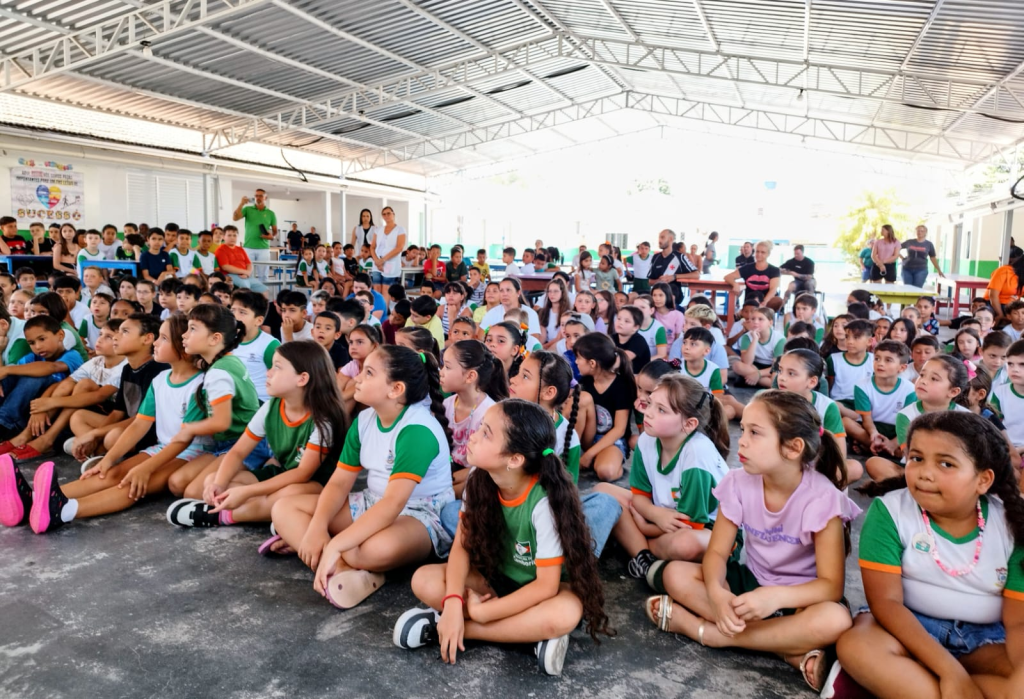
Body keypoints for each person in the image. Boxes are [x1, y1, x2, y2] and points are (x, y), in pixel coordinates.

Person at [644, 390, 861, 693]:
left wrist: (774, 598)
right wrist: (718, 594)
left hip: (799, 600)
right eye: (743, 429)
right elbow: (718, 554)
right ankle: (787, 649)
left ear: (793, 447)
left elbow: (830, 585)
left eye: (755, 433)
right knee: (675, 573)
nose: (741, 440)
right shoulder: (737, 482)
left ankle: (706, 632)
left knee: (835, 620)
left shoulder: (823, 499)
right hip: (748, 588)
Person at [394, 399, 611, 676]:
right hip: (495, 581)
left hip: (543, 593)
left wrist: (482, 614)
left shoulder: (543, 503)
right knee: (423, 580)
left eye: (486, 433)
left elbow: (545, 588)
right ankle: (526, 637)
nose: (473, 436)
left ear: (515, 459)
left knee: (565, 613)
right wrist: (451, 603)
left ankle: (453, 629)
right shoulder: (479, 477)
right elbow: (461, 547)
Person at [829, 412, 1024, 699]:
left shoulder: (1013, 523)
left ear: (983, 480)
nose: (925, 472)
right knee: (856, 645)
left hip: (986, 640)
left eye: (946, 463)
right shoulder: (890, 512)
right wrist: (951, 672)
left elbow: (1018, 621)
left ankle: (916, 684)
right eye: (916, 458)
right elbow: (886, 604)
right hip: (906, 629)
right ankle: (954, 685)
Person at [270, 345, 454, 609]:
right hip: (373, 502)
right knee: (284, 508)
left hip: (420, 513)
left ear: (396, 389)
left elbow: (393, 505)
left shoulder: (417, 430)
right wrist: (318, 527)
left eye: (368, 373)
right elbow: (339, 482)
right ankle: (345, 566)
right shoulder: (364, 419)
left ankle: (333, 557)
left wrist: (333, 544)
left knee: (372, 549)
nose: (357, 378)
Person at [3, 316, 206, 533]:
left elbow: (185, 441)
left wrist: (145, 468)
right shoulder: (161, 379)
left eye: (163, 338)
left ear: (184, 348)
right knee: (110, 473)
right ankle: (31, 500)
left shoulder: (200, 384)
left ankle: (63, 511)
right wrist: (108, 460)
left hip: (191, 452)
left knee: (131, 485)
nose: (156, 342)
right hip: (161, 448)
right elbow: (139, 424)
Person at [170, 341, 347, 530]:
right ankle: (274, 518)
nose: (267, 373)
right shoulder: (272, 407)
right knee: (212, 479)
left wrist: (247, 492)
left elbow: (302, 473)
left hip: (316, 485)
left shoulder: (323, 420)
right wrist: (219, 485)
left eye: (277, 367)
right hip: (283, 473)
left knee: (289, 494)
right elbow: (238, 451)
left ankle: (224, 516)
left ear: (302, 379)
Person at [598, 374, 730, 582]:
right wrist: (654, 513)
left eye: (661, 410)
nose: (647, 413)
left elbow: (691, 525)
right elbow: (639, 496)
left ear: (689, 424)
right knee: (602, 492)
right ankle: (645, 557)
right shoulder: (646, 441)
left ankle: (636, 546)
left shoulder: (697, 457)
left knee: (686, 544)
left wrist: (644, 527)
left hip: (706, 527)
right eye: (650, 403)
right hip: (664, 514)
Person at [163, 304, 262, 506]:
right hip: (225, 444)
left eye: (192, 329)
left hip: (247, 444)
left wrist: (189, 429)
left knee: (193, 493)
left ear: (215, 338)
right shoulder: (225, 360)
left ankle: (260, 481)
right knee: (176, 483)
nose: (184, 335)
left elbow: (221, 422)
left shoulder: (218, 373)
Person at [865, 355, 971, 482]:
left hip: (950, 472)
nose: (923, 381)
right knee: (875, 464)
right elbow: (910, 455)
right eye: (922, 375)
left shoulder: (966, 418)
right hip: (916, 467)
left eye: (934, 379)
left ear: (953, 392)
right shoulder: (906, 415)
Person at [0, 316, 85, 441]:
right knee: (9, 377)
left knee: (35, 377)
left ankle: (4, 424)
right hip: (27, 413)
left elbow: (52, 367)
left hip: (49, 416)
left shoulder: (72, 355)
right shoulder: (31, 357)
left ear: (60, 335)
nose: (38, 347)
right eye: (32, 343)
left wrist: (6, 370)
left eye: (42, 339)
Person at [441, 339, 508, 496]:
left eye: (447, 367)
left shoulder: (490, 413)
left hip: (476, 474)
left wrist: (447, 481)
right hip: (448, 471)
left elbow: (483, 468)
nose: (441, 372)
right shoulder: (446, 404)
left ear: (470, 376)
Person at [576, 333, 635, 482]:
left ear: (592, 363)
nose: (576, 362)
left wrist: (589, 455)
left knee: (605, 472)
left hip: (612, 440)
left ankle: (603, 460)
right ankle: (570, 453)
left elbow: (619, 430)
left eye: (579, 358)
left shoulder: (621, 386)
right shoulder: (585, 382)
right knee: (580, 400)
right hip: (588, 438)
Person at [725, 240, 783, 311]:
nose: (759, 254)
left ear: (768, 254)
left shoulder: (774, 270)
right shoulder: (747, 268)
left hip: (766, 305)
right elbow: (728, 277)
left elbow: (773, 289)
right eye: (757, 251)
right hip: (750, 304)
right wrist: (735, 284)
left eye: (763, 252)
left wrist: (763, 303)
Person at [232, 188, 277, 282]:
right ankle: (249, 296)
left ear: (265, 198)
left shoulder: (271, 214)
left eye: (261, 196)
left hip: (263, 248)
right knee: (247, 274)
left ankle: (262, 296)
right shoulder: (247, 209)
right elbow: (235, 218)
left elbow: (275, 231)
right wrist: (241, 203)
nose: (258, 198)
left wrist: (271, 236)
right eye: (256, 195)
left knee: (263, 276)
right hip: (248, 247)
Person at [991, 339, 1024, 459]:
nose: (1014, 369)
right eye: (1010, 364)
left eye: (1022, 364)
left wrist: (1020, 450)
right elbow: (993, 426)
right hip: (1005, 448)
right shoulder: (1000, 392)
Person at [648, 229, 699, 307]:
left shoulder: (680, 256)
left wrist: (674, 276)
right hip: (657, 293)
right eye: (659, 238)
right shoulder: (655, 257)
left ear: (670, 239)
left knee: (669, 294)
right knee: (635, 297)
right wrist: (658, 281)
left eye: (662, 237)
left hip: (674, 293)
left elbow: (696, 274)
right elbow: (649, 281)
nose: (659, 240)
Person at [214, 225, 267, 293]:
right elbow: (225, 267)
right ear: (223, 237)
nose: (232, 238)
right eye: (229, 235)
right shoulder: (221, 249)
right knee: (246, 287)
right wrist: (244, 272)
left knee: (264, 289)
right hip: (230, 274)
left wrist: (247, 273)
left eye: (234, 235)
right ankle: (247, 303)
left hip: (245, 275)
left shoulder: (240, 249)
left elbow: (249, 263)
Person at [369, 206, 406, 297]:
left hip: (390, 262)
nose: (386, 215)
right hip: (377, 263)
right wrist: (377, 260)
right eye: (384, 214)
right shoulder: (378, 230)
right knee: (376, 288)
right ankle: (377, 310)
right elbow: (372, 247)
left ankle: (385, 311)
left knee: (386, 289)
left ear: (393, 214)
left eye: (388, 213)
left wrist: (383, 260)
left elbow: (399, 247)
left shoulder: (400, 229)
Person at [986, 255, 1024, 320]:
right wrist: (1000, 314)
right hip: (996, 305)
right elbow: (993, 296)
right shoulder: (1004, 271)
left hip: (1013, 306)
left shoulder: (1022, 276)